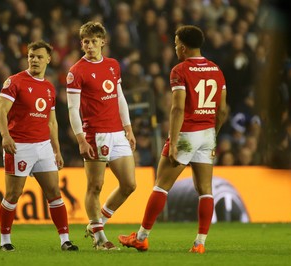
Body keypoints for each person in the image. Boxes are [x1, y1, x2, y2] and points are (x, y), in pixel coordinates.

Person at [118, 25, 228, 253]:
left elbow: (178, 108)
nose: (175, 47)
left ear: (183, 46)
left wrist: (175, 140)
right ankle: (199, 244)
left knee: (161, 186)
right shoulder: (216, 70)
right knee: (205, 189)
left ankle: (141, 237)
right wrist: (213, 137)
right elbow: (223, 111)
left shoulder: (180, 70)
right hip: (207, 133)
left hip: (187, 133)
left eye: (176, 43)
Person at [0, 40, 78, 252]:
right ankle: (5, 240)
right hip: (19, 145)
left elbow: (52, 122)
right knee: (13, 194)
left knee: (54, 192)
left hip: (43, 147)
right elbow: (1, 111)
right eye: (31, 56)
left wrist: (56, 150)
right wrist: (5, 136)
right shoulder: (14, 82)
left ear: (48, 60)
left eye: (39, 57)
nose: (34, 60)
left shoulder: (49, 87)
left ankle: (65, 240)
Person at [66, 21, 136, 250]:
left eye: (94, 41)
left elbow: (119, 97)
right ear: (81, 43)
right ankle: (99, 238)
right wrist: (80, 138)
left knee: (129, 184)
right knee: (95, 186)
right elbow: (72, 109)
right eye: (85, 41)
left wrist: (128, 127)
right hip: (95, 134)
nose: (89, 45)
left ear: (102, 42)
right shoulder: (76, 71)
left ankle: (97, 223)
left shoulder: (113, 65)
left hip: (117, 132)